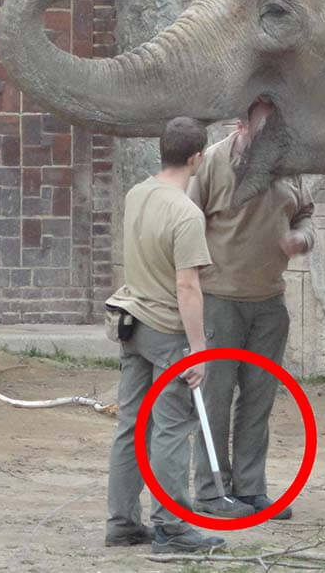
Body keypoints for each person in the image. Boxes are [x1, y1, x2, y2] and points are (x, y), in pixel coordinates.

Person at [104, 117, 227, 553]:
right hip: (168, 330)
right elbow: (187, 286)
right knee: (172, 429)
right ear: (197, 158)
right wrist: (199, 351)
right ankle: (171, 529)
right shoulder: (185, 212)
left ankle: (121, 523)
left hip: (131, 323)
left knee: (131, 425)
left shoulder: (137, 193)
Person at [189, 106, 315, 520]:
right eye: (262, 130)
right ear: (239, 125)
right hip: (220, 300)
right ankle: (211, 491)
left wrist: (302, 237)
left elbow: (305, 213)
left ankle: (249, 489)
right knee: (216, 397)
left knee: (258, 400)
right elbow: (188, 222)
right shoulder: (211, 164)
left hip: (269, 302)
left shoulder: (288, 165)